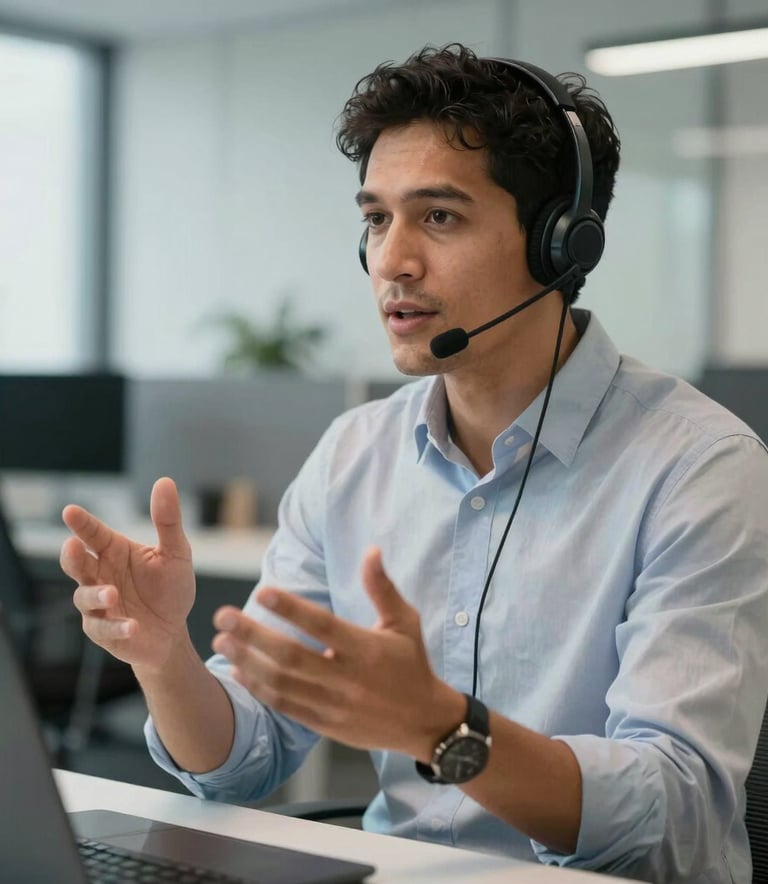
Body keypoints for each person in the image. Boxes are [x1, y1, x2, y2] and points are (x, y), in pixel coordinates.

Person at [60, 44, 768, 882]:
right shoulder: (353, 454)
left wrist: (446, 732)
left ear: (561, 246)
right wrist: (163, 658)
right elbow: (244, 760)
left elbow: (674, 818)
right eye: (375, 218)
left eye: (439, 216)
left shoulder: (699, 467)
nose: (391, 259)